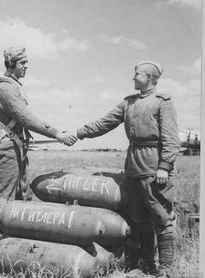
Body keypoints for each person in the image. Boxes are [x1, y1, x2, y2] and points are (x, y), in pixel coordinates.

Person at [75, 61, 180, 278]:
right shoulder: (128, 103)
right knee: (139, 218)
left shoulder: (163, 102)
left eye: (137, 74)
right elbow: (104, 123)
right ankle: (147, 264)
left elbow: (171, 138)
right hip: (133, 167)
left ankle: (167, 268)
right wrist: (79, 133)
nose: (133, 78)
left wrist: (164, 166)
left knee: (160, 216)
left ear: (150, 77)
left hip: (154, 166)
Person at [0, 47, 76, 201]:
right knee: (2, 199)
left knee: (23, 195)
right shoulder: (4, 88)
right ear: (11, 63)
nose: (26, 66)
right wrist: (57, 134)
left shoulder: (13, 86)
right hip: (8, 148)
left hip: (17, 146)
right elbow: (26, 119)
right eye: (22, 62)